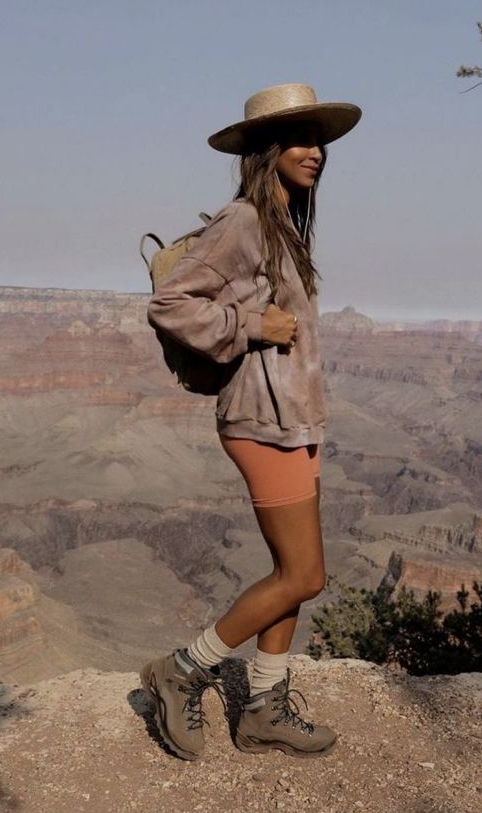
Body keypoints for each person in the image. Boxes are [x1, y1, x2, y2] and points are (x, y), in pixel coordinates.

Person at [141, 83, 362, 760]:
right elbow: (171, 304)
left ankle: (263, 706)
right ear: (266, 151)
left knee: (294, 567)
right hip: (260, 423)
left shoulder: (283, 225)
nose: (315, 152)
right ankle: (181, 669)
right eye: (299, 139)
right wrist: (249, 324)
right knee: (304, 575)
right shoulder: (241, 221)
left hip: (296, 421)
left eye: (318, 139)